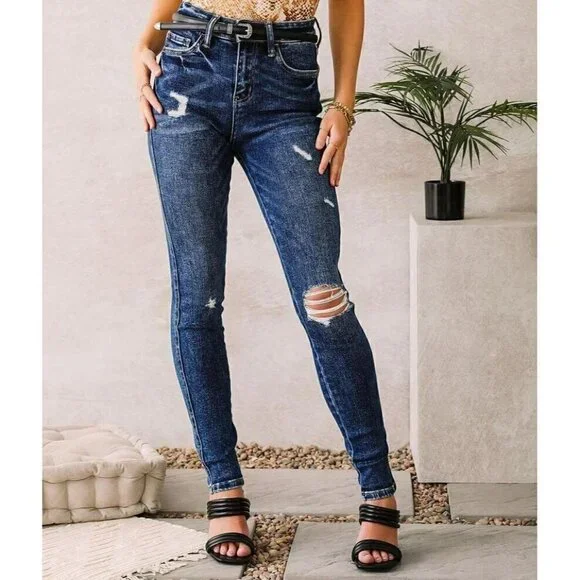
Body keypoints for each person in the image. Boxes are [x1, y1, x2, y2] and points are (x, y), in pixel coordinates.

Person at [133, 0, 402, 572]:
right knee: (198, 299)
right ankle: (223, 486)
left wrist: (344, 103)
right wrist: (145, 42)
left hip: (287, 83)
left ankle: (378, 489)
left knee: (324, 301)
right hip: (188, 74)